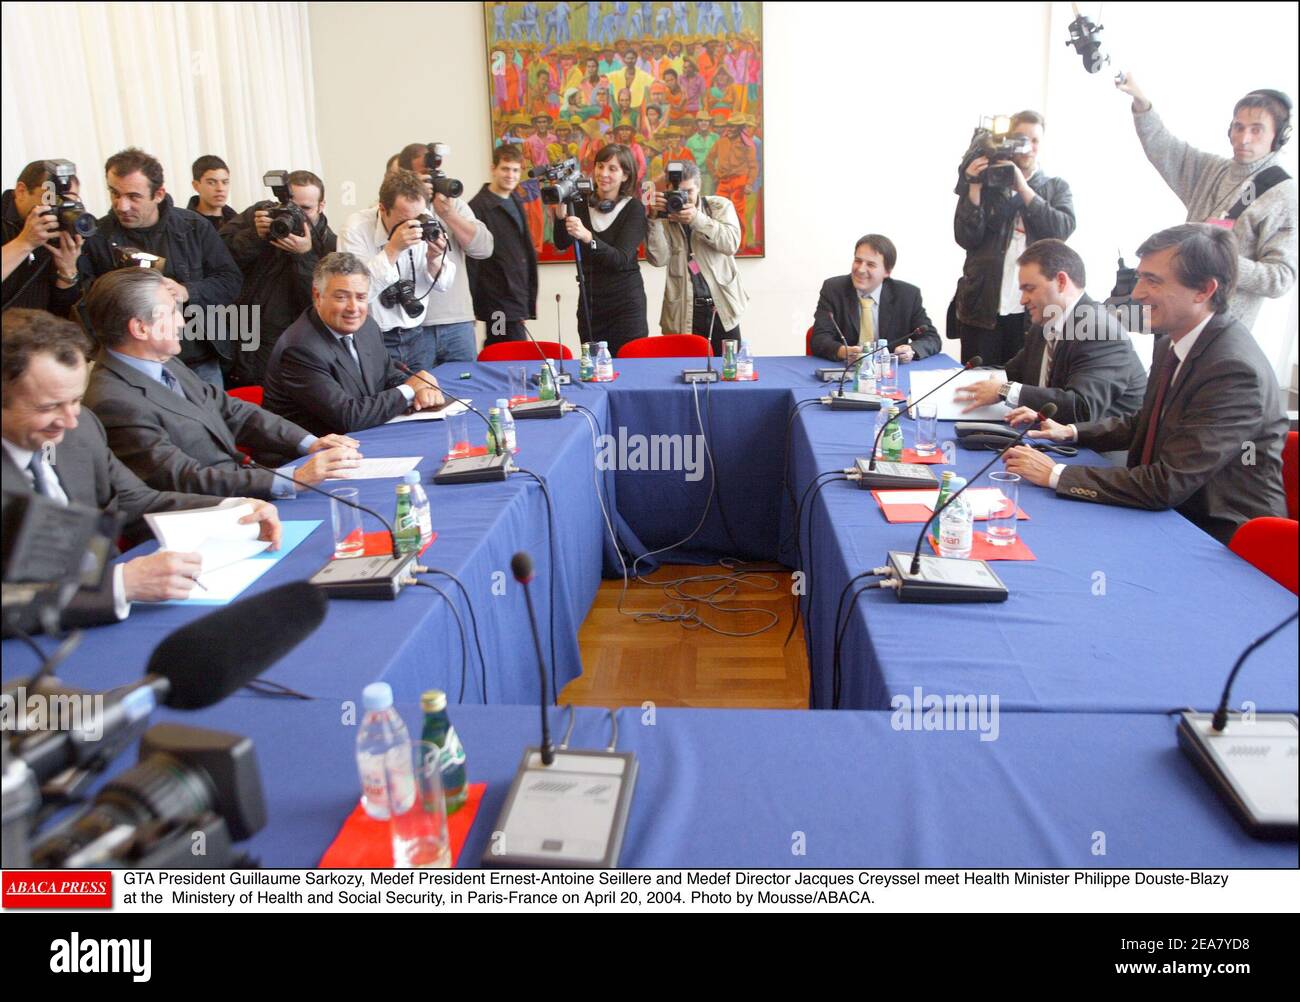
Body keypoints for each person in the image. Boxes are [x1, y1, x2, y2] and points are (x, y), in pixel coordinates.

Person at [1004, 224, 1287, 545]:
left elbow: (1167, 483)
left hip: (1222, 539)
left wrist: (1056, 474)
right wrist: (1071, 432)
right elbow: (1146, 422)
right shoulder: (1173, 342)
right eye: (1140, 277)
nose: (1137, 293)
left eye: (1152, 280)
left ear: (1204, 290)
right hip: (1165, 514)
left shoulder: (1234, 370)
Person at [1, 308, 281, 626]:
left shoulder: (81, 431)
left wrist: (233, 510)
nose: (70, 420)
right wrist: (120, 584)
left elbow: (136, 502)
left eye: (76, 400)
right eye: (49, 407)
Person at [82, 268, 361, 499]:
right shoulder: (113, 401)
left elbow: (231, 410)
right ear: (141, 328)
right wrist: (294, 478)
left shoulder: (165, 361)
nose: (182, 322)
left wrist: (310, 443)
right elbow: (182, 477)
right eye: (171, 313)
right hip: (205, 518)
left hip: (242, 489)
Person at [1116, 78, 1296, 330]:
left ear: (1278, 136)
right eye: (1238, 127)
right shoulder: (1214, 170)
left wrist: (1221, 261)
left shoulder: (1283, 194)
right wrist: (1143, 105)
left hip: (1221, 330)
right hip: (1177, 314)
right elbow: (1165, 148)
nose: (1244, 138)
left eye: (1256, 129)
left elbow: (1280, 278)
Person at [77, 147, 243, 388]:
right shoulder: (97, 238)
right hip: (133, 368)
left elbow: (231, 281)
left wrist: (187, 291)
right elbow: (87, 306)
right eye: (114, 193)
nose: (121, 206)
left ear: (158, 194)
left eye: (133, 197)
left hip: (198, 360)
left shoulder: (195, 227)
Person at [954, 239, 1146, 424]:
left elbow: (1082, 407)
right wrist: (957, 380)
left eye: (1029, 289)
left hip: (1096, 451)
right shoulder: (1044, 325)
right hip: (1049, 438)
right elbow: (1012, 373)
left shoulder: (1099, 329)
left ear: (1061, 281)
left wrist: (1004, 390)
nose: (1022, 300)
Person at [263, 252, 445, 437]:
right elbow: (348, 417)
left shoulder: (367, 327)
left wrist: (418, 388)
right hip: (307, 456)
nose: (353, 308)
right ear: (318, 296)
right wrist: (408, 390)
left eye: (360, 297)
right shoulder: (300, 349)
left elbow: (387, 375)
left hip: (358, 440)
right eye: (342, 297)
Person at [951, 111, 1076, 367]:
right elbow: (966, 237)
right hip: (982, 306)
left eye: (1035, 140)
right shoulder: (986, 184)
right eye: (1021, 138)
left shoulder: (1055, 187)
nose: (1028, 146)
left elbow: (1061, 229)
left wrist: (1023, 188)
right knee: (976, 382)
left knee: (1019, 387)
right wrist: (974, 186)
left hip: (1030, 313)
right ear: (1007, 140)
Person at [219, 169, 336, 386]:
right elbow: (219, 258)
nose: (296, 216)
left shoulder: (330, 244)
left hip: (293, 343)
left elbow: (321, 303)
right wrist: (254, 235)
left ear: (321, 206)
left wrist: (304, 255)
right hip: (244, 331)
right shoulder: (261, 216)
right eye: (291, 208)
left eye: (305, 209)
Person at [337, 169, 461, 373]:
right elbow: (356, 293)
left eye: (418, 217)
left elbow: (444, 284)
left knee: (422, 398)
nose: (413, 226)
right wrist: (393, 249)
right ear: (382, 208)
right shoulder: (355, 228)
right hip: (373, 337)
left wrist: (434, 257)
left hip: (417, 335)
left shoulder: (425, 218)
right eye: (404, 220)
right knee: (383, 400)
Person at [551, 144, 648, 355]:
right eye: (600, 166)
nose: (603, 174)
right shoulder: (581, 202)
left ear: (625, 176)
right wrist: (560, 216)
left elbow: (620, 259)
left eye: (612, 169)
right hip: (591, 304)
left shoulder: (634, 209)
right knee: (592, 370)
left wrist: (588, 237)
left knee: (629, 367)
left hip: (626, 307)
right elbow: (561, 243)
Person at [644, 160, 746, 353]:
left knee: (729, 369)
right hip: (683, 308)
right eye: (678, 192)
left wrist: (697, 219)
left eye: (689, 192)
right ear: (667, 189)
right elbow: (658, 259)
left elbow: (731, 244)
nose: (683, 199)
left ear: (699, 187)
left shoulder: (719, 207)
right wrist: (654, 219)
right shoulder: (664, 217)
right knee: (686, 369)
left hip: (722, 306)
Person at [809, 234, 941, 363]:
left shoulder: (907, 295)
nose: (861, 269)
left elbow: (931, 338)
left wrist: (911, 350)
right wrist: (843, 351)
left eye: (870, 265)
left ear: (887, 272)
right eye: (858, 261)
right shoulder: (833, 289)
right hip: (845, 370)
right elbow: (819, 338)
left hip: (889, 373)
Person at [468, 145, 538, 346]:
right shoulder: (477, 208)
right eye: (505, 169)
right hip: (496, 303)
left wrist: (525, 303)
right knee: (501, 349)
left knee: (512, 351)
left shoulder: (515, 199)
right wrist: (472, 306)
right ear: (493, 169)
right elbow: (472, 263)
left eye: (515, 170)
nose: (510, 175)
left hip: (516, 299)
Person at [1, 160, 85, 317]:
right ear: (21, 191)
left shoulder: (65, 229)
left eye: (69, 200)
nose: (61, 208)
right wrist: (24, 242)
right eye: (53, 199)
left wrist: (67, 272)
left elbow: (64, 317)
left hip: (40, 334)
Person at [706, 114, 758, 243]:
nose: (729, 128)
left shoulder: (748, 144)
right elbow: (709, 159)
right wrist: (714, 175)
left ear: (740, 128)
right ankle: (719, 241)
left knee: (738, 212)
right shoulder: (721, 141)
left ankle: (740, 243)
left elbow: (753, 166)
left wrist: (749, 183)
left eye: (733, 126)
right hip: (723, 181)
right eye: (729, 125)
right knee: (717, 210)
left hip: (739, 181)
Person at [188, 155, 236, 231]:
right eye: (211, 183)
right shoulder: (184, 227)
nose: (220, 188)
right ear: (196, 186)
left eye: (225, 182)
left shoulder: (239, 224)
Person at [686, 112, 719, 194]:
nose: (703, 123)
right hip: (697, 175)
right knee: (697, 201)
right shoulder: (691, 141)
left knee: (711, 201)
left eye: (706, 121)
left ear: (710, 123)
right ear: (697, 123)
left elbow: (721, 157)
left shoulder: (716, 138)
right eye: (700, 121)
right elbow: (688, 162)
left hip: (712, 176)